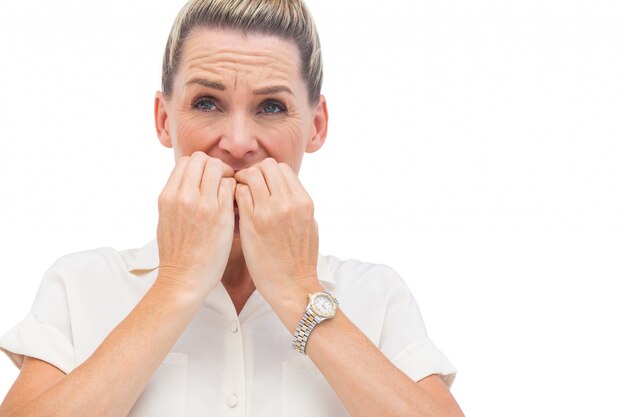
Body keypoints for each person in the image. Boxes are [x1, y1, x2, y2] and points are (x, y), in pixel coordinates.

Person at [0, 0, 464, 416]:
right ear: (165, 120)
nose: (239, 143)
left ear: (316, 126)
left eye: (272, 107)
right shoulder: (81, 285)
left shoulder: (375, 295)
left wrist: (298, 292)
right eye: (207, 102)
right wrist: (177, 284)